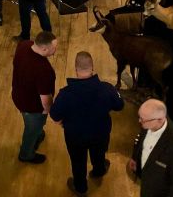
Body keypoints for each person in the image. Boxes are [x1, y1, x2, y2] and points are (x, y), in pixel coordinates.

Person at [50, 52, 124, 196]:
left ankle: (81, 188)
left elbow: (54, 115)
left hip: (75, 137)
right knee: (99, 153)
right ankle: (99, 170)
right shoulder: (107, 88)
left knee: (78, 162)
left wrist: (63, 122)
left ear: (76, 69)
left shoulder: (65, 94)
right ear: (92, 68)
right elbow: (119, 105)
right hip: (101, 132)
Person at [128, 99, 173, 197]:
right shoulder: (149, 122)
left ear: (160, 120)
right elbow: (140, 139)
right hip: (146, 184)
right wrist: (135, 157)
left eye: (143, 120)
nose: (139, 121)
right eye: (139, 117)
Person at [12, 31, 57, 164]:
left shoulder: (24, 45)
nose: (55, 51)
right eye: (54, 48)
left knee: (34, 126)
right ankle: (26, 154)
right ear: (44, 49)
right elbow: (46, 100)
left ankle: (39, 133)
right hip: (32, 107)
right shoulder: (44, 70)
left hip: (18, 96)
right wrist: (47, 111)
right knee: (31, 130)